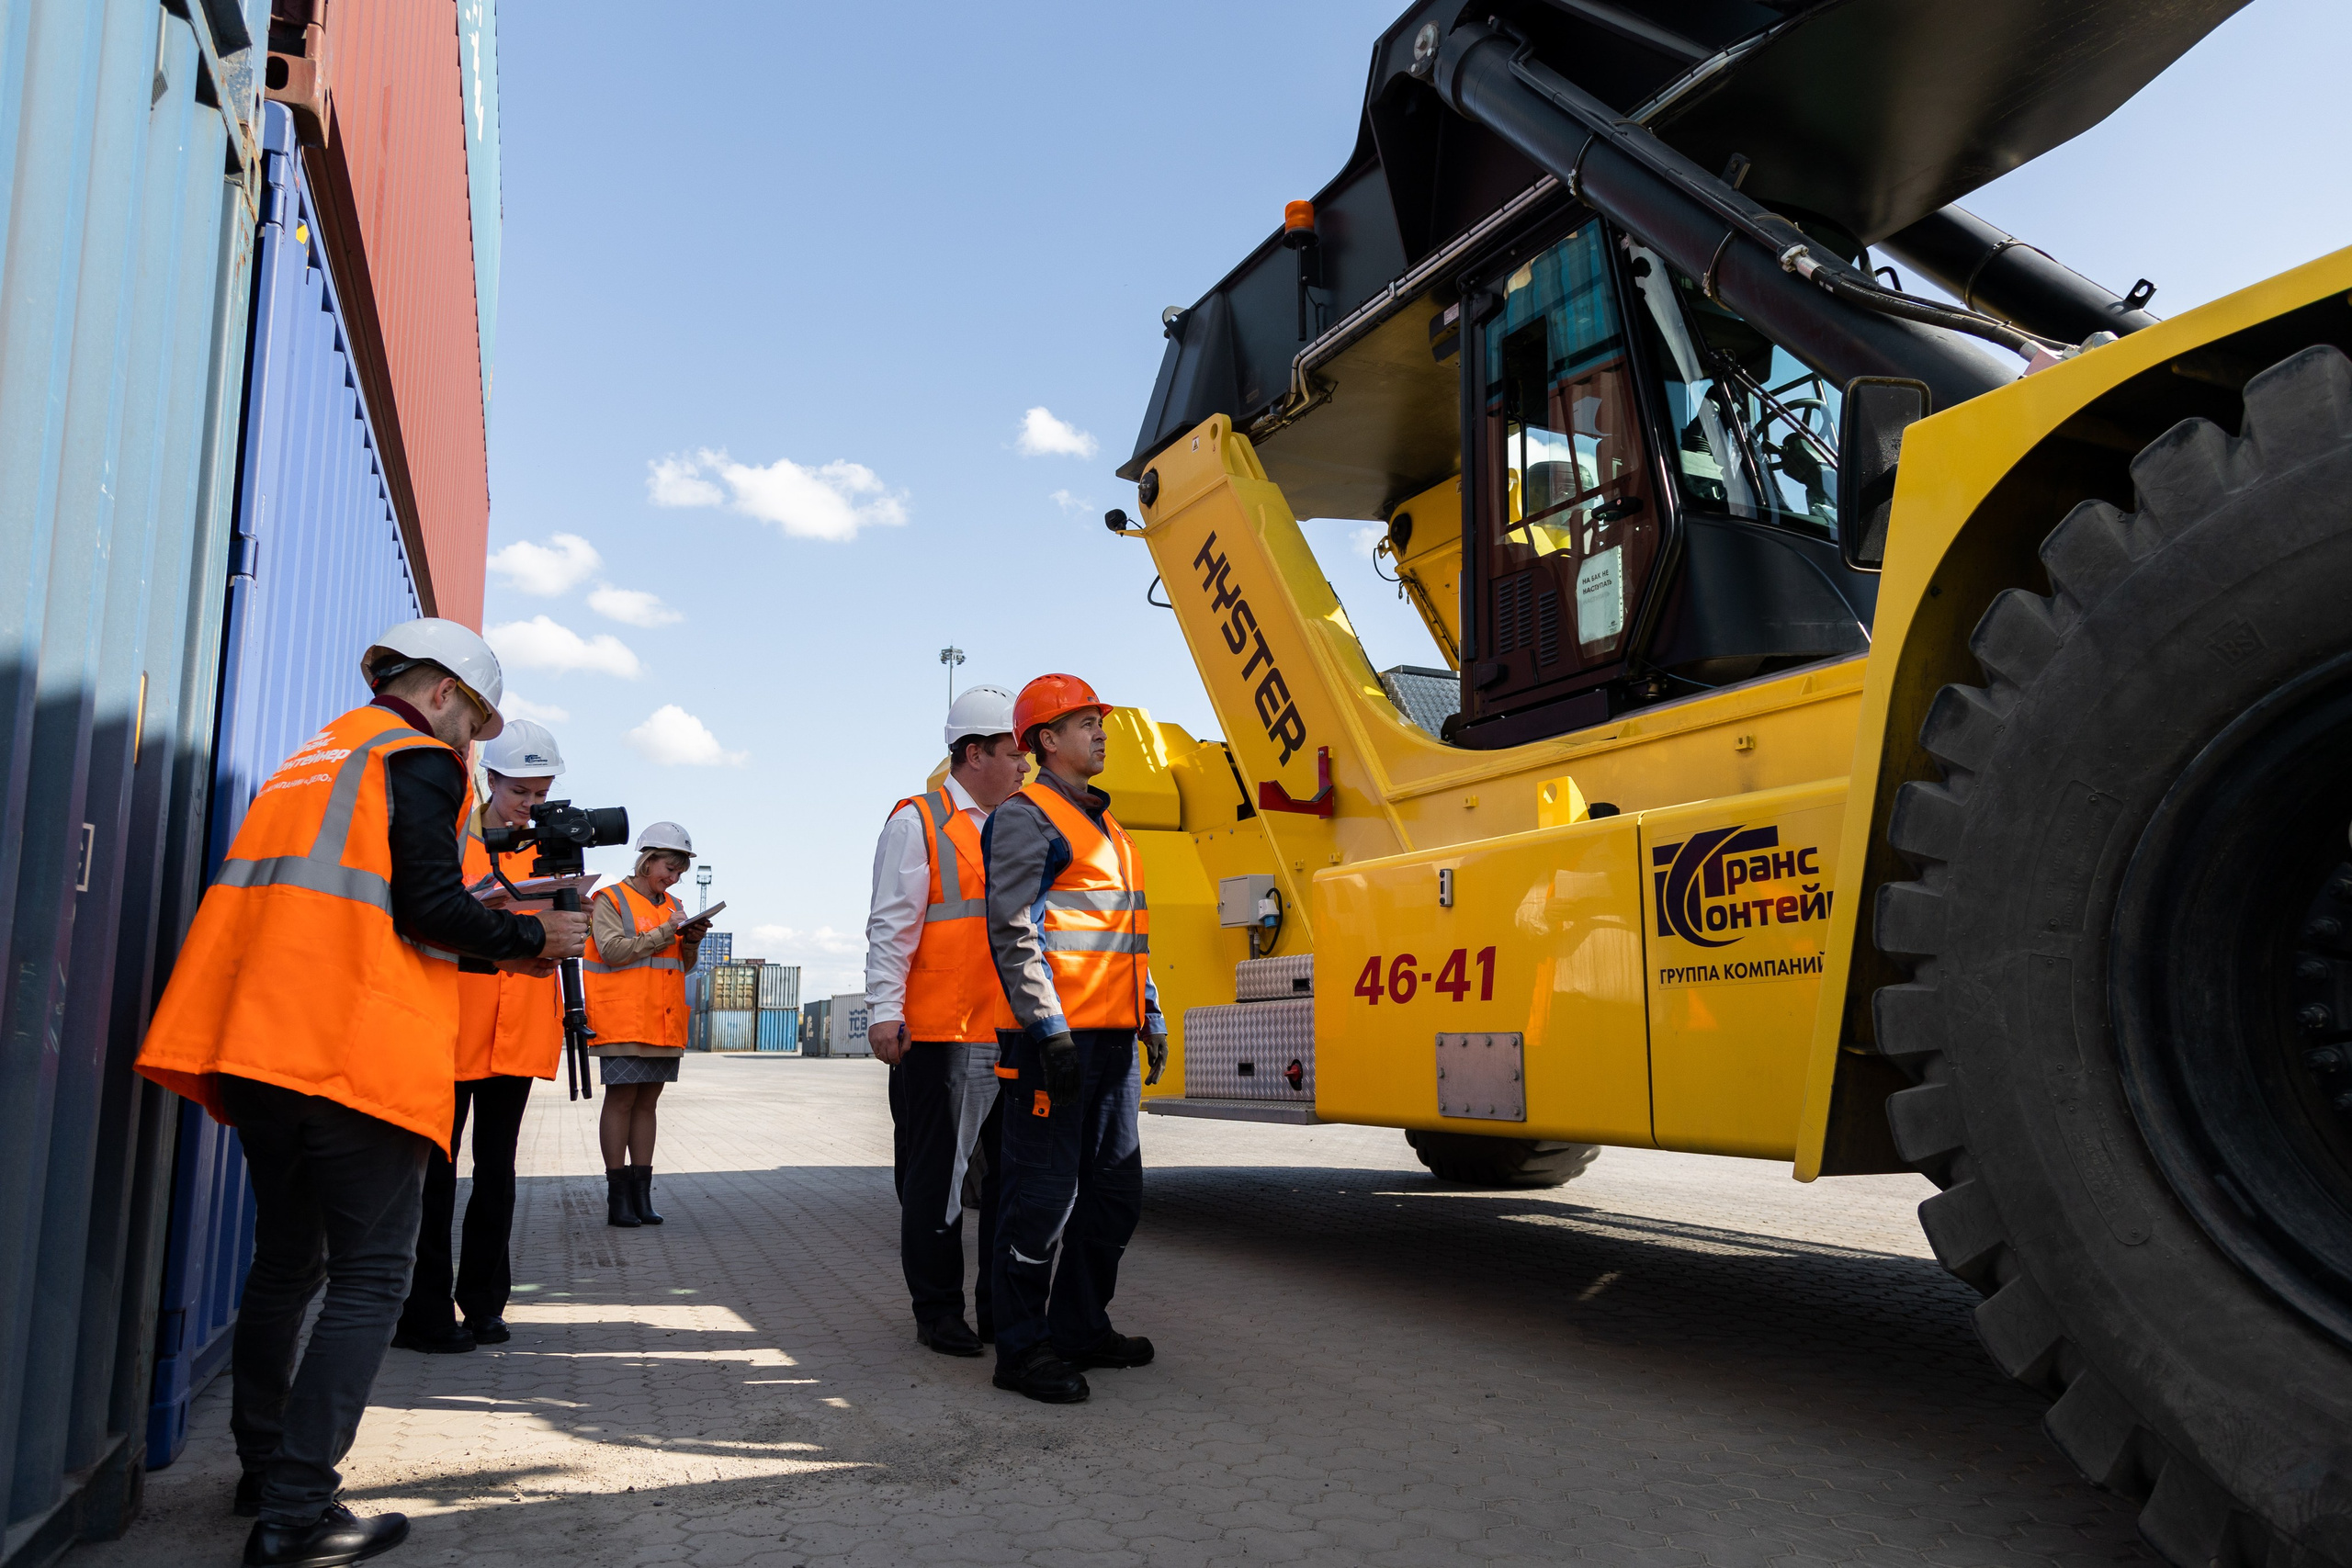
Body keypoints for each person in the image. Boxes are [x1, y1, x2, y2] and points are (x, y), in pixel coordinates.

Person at [134, 619, 588, 1568]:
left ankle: (264, 1471)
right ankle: (297, 1514)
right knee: (374, 1275)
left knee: (287, 1263)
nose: (472, 739)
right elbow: (424, 908)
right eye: (471, 717)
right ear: (439, 695)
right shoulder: (420, 759)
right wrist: (528, 942)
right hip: (346, 1047)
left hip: (259, 1044)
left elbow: (360, 899)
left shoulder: (315, 759)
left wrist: (485, 913)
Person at [980, 674, 1169, 1404]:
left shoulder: (1110, 830)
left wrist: (1148, 1011)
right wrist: (1049, 1029)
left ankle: (1082, 1325)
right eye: (1084, 721)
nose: (1101, 731)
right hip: (1052, 1043)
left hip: (1112, 1040)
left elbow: (1127, 937)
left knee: (1115, 1195)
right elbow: (1013, 929)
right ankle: (1021, 1348)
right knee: (1042, 1198)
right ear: (1045, 740)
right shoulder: (1027, 816)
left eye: (1101, 720)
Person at [392, 718, 570, 1355]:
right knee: (436, 1173)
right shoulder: (452, 834)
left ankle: (486, 1304)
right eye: (521, 790)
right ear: (490, 779)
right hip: (451, 1025)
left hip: (514, 1031)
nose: (530, 803)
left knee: (497, 1171)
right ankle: (426, 1309)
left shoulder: (550, 847)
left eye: (540, 792)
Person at [865, 685, 1028, 1357]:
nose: (1024, 766)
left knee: (1013, 1184)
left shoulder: (1022, 824)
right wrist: (883, 1012)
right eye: (1013, 752)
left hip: (1014, 1033)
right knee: (936, 1185)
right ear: (974, 752)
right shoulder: (918, 822)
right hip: (941, 1037)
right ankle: (938, 1312)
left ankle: (1001, 1311)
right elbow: (891, 925)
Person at [582, 820, 711, 1225]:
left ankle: (641, 1197)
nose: (672, 879)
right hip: (622, 1020)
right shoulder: (611, 899)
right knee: (621, 1101)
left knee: (648, 1104)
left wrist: (690, 940)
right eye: (668, 869)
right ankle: (617, 1198)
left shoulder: (672, 907)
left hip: (663, 1022)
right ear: (647, 860)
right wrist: (665, 931)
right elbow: (612, 951)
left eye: (678, 873)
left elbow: (681, 967)